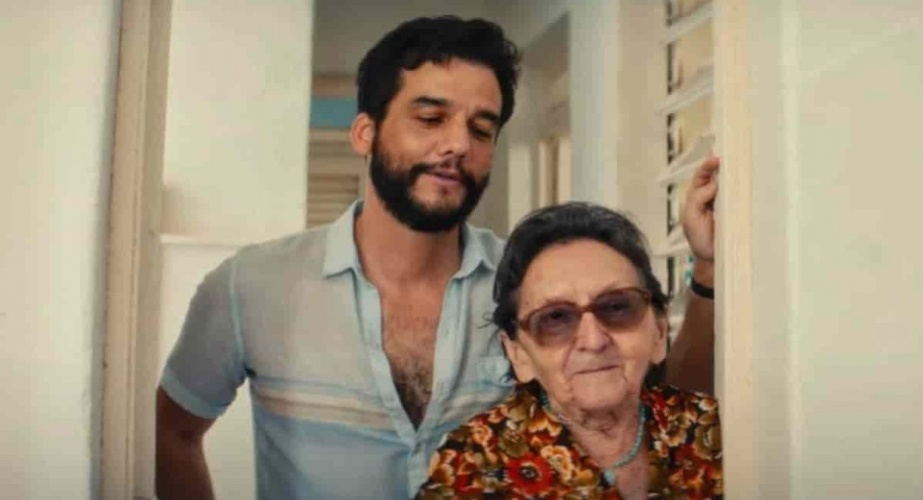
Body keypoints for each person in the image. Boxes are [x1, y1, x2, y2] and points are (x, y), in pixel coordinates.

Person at [155, 13, 717, 499]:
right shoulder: (250, 285)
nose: (458, 144)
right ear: (365, 132)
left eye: (481, 129)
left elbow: (663, 413)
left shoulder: (532, 288)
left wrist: (707, 269)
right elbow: (171, 432)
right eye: (430, 119)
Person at [416, 201, 722, 499]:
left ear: (659, 331)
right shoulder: (471, 467)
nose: (593, 340)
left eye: (616, 307)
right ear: (518, 354)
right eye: (555, 318)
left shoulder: (718, 430)